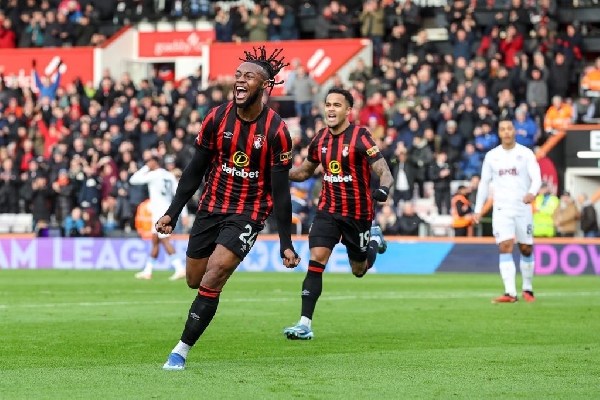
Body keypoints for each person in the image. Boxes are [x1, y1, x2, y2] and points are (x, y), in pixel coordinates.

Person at [155, 46, 301, 370]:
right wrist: (172, 212)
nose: (240, 80)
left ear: (265, 86)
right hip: (211, 206)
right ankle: (200, 308)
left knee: (215, 273)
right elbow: (194, 169)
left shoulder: (277, 132)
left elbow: (280, 191)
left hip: (248, 212)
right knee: (195, 279)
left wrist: (286, 244)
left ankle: (180, 350)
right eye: (238, 75)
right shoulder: (217, 118)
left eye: (249, 76)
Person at [282, 87, 394, 340]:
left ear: (348, 111)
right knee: (317, 260)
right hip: (328, 211)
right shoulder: (320, 139)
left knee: (359, 269)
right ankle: (304, 323)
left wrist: (384, 189)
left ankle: (374, 239)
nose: (331, 109)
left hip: (358, 214)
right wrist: (277, 171)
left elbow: (384, 170)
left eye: (337, 105)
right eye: (328, 104)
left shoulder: (361, 136)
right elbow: (303, 173)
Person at [473, 117, 542, 304]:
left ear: (514, 131)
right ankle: (510, 293)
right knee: (504, 246)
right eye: (503, 129)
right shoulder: (492, 156)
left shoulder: (526, 154)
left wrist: (532, 192)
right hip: (502, 208)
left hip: (522, 207)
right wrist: (478, 209)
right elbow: (484, 183)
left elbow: (537, 178)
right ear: (499, 133)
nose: (506, 132)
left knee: (526, 248)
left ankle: (527, 288)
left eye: (509, 128)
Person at [129, 154, 186, 281]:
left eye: (149, 161)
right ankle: (148, 271)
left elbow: (134, 180)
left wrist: (145, 168)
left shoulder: (154, 175)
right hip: (166, 209)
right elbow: (178, 193)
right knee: (155, 240)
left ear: (155, 162)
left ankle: (179, 268)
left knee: (165, 240)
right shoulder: (168, 175)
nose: (147, 163)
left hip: (159, 212)